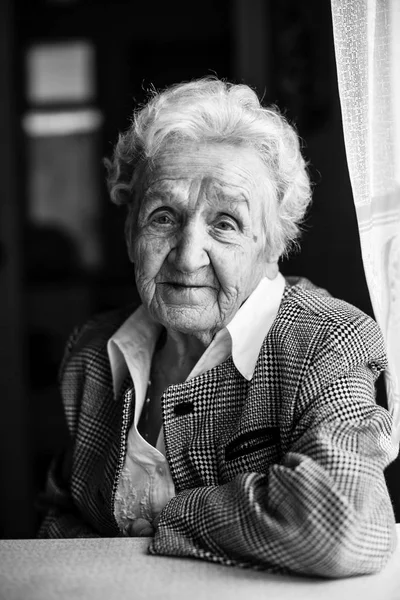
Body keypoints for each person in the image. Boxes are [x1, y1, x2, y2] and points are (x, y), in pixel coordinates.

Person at [38, 77, 397, 577]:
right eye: (162, 216)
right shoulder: (94, 351)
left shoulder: (326, 341)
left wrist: (166, 520)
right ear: (130, 232)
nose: (187, 257)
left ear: (273, 245)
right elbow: (58, 519)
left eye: (225, 223)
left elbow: (342, 525)